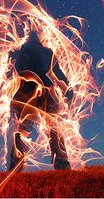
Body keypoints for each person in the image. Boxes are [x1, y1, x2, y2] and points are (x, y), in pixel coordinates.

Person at [9, 33, 71, 171]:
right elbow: (58, 73)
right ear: (39, 40)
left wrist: (6, 88)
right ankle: (62, 161)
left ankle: (16, 163)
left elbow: (9, 72)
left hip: (25, 92)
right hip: (45, 91)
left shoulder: (18, 51)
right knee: (53, 125)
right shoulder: (47, 52)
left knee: (21, 128)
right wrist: (67, 88)